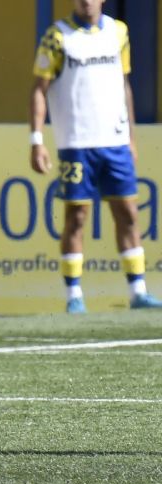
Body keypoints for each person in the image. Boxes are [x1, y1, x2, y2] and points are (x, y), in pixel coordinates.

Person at [30, 0, 162, 314]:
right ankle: (74, 295)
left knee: (128, 213)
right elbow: (39, 88)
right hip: (77, 142)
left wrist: (130, 135)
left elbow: (123, 83)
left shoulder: (118, 32)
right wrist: (36, 140)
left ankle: (137, 292)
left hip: (114, 142)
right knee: (76, 217)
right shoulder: (57, 36)